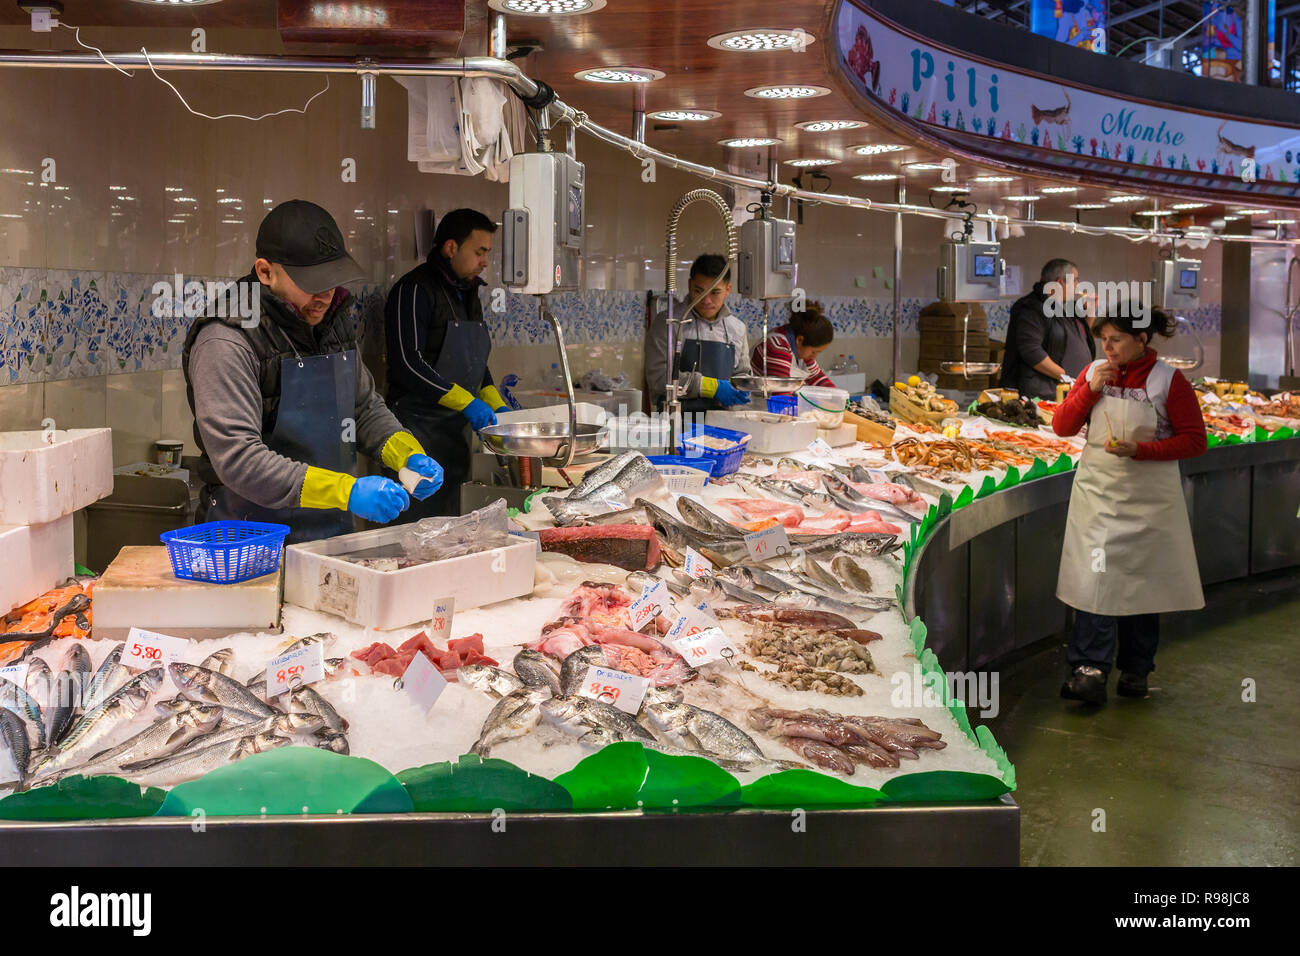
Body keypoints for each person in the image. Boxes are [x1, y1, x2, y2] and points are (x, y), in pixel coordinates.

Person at [182, 200, 443, 543]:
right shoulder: (226, 339)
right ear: (265, 272)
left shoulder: (331, 320)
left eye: (332, 279)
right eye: (311, 282)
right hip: (248, 542)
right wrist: (346, 491)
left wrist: (405, 453)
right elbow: (239, 459)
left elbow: (362, 407)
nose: (325, 294)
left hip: (329, 534)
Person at [1052, 307, 1207, 704]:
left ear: (1142, 340)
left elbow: (1195, 440)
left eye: (1117, 339)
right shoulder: (1093, 373)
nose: (1109, 347)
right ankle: (1089, 669)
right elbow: (1062, 426)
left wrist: (1142, 450)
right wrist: (1089, 389)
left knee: (1141, 583)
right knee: (1096, 579)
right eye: (1104, 339)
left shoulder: (1168, 381)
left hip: (1148, 502)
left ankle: (1137, 669)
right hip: (1098, 496)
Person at [384, 208, 509, 520]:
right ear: (451, 247)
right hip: (417, 430)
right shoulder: (413, 290)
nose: (485, 262)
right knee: (414, 527)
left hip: (454, 433)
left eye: (487, 253)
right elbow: (407, 363)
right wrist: (467, 402)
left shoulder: (469, 294)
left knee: (449, 523)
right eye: (480, 252)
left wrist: (495, 402)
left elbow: (475, 360)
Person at [644, 253, 752, 413]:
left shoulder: (737, 329)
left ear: (728, 290)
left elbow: (743, 375)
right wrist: (709, 387)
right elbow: (659, 379)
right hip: (677, 423)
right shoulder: (669, 323)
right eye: (699, 291)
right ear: (689, 285)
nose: (706, 300)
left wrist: (746, 387)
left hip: (722, 426)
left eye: (714, 292)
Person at [1000, 258, 1096, 400]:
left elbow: (1080, 338)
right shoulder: (1031, 308)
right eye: (1075, 280)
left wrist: (1091, 312)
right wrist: (1066, 376)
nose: (1078, 286)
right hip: (1039, 396)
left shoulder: (1067, 306)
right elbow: (1031, 351)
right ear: (1060, 283)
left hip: (1067, 391)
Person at [750, 302, 837, 388]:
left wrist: (840, 398)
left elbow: (817, 378)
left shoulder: (802, 350)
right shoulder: (777, 346)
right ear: (799, 340)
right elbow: (782, 391)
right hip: (759, 400)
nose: (814, 356)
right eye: (814, 352)